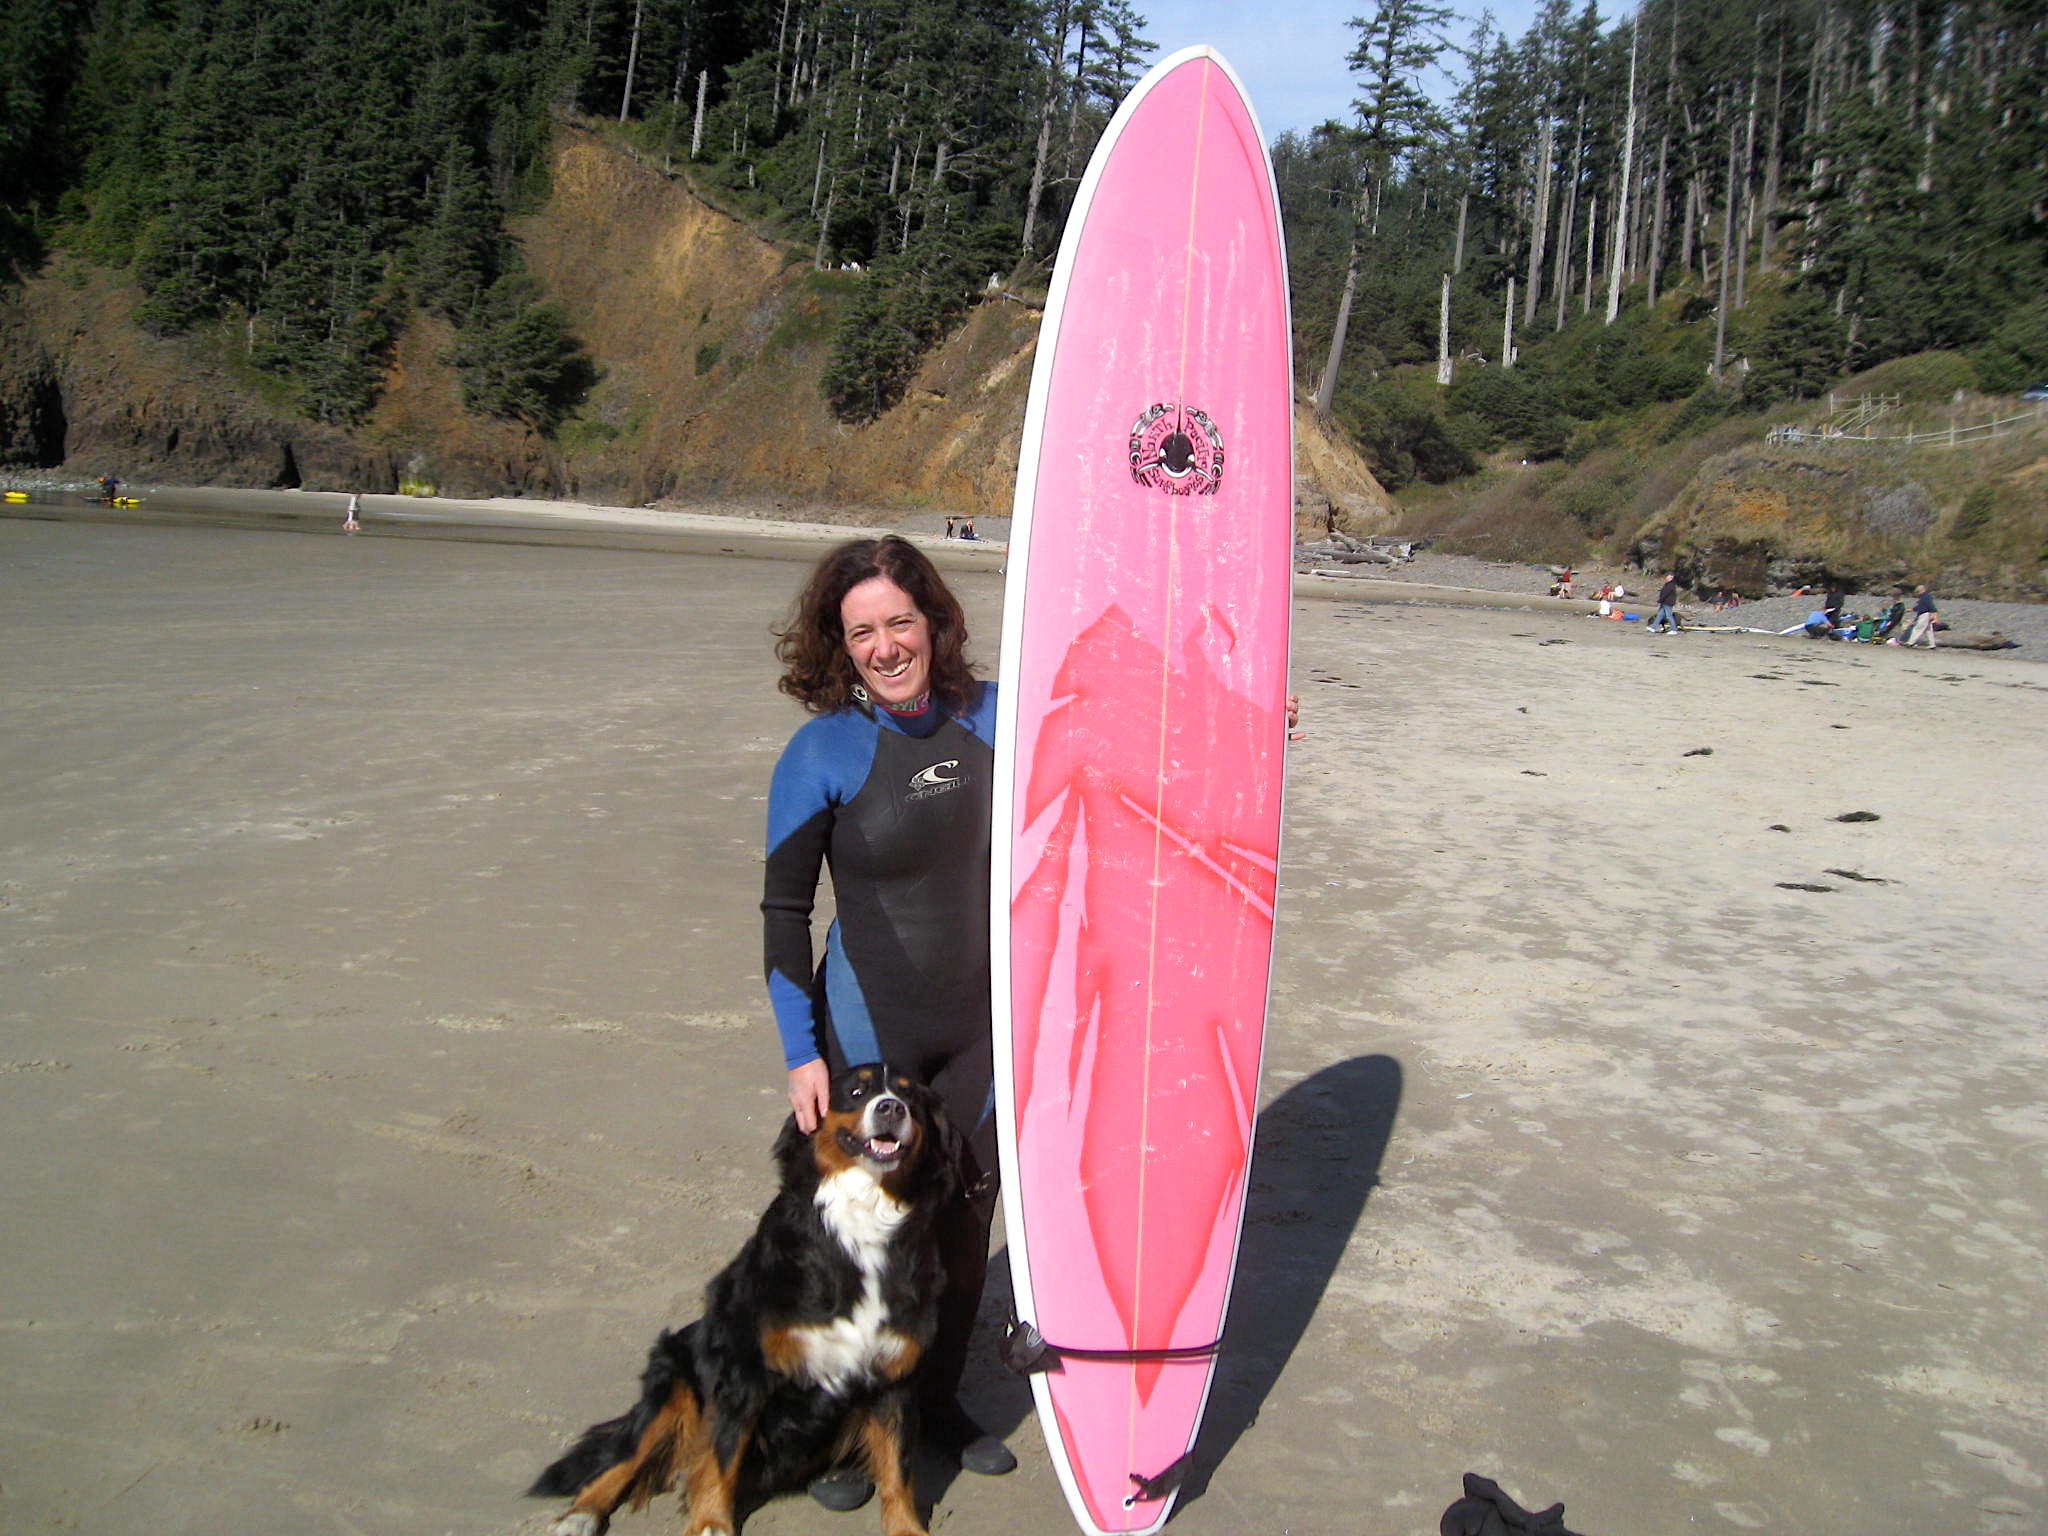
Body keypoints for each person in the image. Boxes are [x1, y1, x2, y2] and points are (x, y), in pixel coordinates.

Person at [762, 536, 1015, 1505]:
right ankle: (845, 1428)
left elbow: (1121, 757)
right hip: (868, 1044)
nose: (883, 646)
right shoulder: (820, 750)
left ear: (934, 621)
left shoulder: (997, 716)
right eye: (860, 630)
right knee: (863, 1242)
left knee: (960, 1228)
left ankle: (935, 1410)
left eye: (898, 622)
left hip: (980, 1031)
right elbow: (785, 912)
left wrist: (1242, 725)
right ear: (839, 643)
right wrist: (800, 1055)